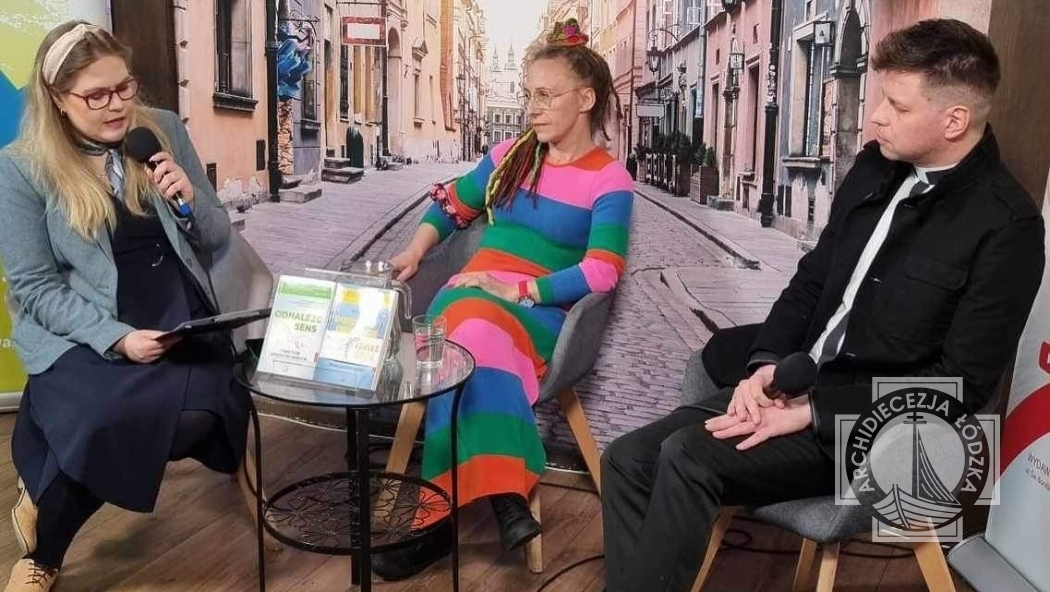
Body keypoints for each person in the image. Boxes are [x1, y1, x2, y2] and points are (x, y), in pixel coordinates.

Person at [600, 18, 1045, 592]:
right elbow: (811, 282)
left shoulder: (1008, 226)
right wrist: (766, 366)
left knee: (687, 456)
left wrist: (814, 411)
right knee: (626, 458)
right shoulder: (873, 167)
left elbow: (960, 387)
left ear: (954, 120)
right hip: (798, 383)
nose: (875, 116)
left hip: (875, 430)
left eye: (897, 105)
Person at [375, 17, 634, 580]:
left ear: (585, 99)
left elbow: (602, 271)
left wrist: (519, 288)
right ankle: (506, 498)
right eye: (528, 95)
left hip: (540, 313)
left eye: (546, 96)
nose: (532, 108)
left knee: (469, 341)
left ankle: (435, 520)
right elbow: (451, 207)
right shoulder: (509, 156)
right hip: (468, 295)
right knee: (469, 329)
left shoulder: (609, 179)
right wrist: (416, 250)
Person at [0, 22, 248, 591]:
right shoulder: (22, 168)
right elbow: (34, 287)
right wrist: (116, 337)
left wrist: (188, 201)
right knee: (105, 419)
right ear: (58, 98)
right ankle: (44, 556)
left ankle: (41, 478)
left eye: (124, 87)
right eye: (96, 95)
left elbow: (215, 238)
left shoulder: (162, 130)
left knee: (198, 418)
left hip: (176, 312)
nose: (117, 106)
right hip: (83, 323)